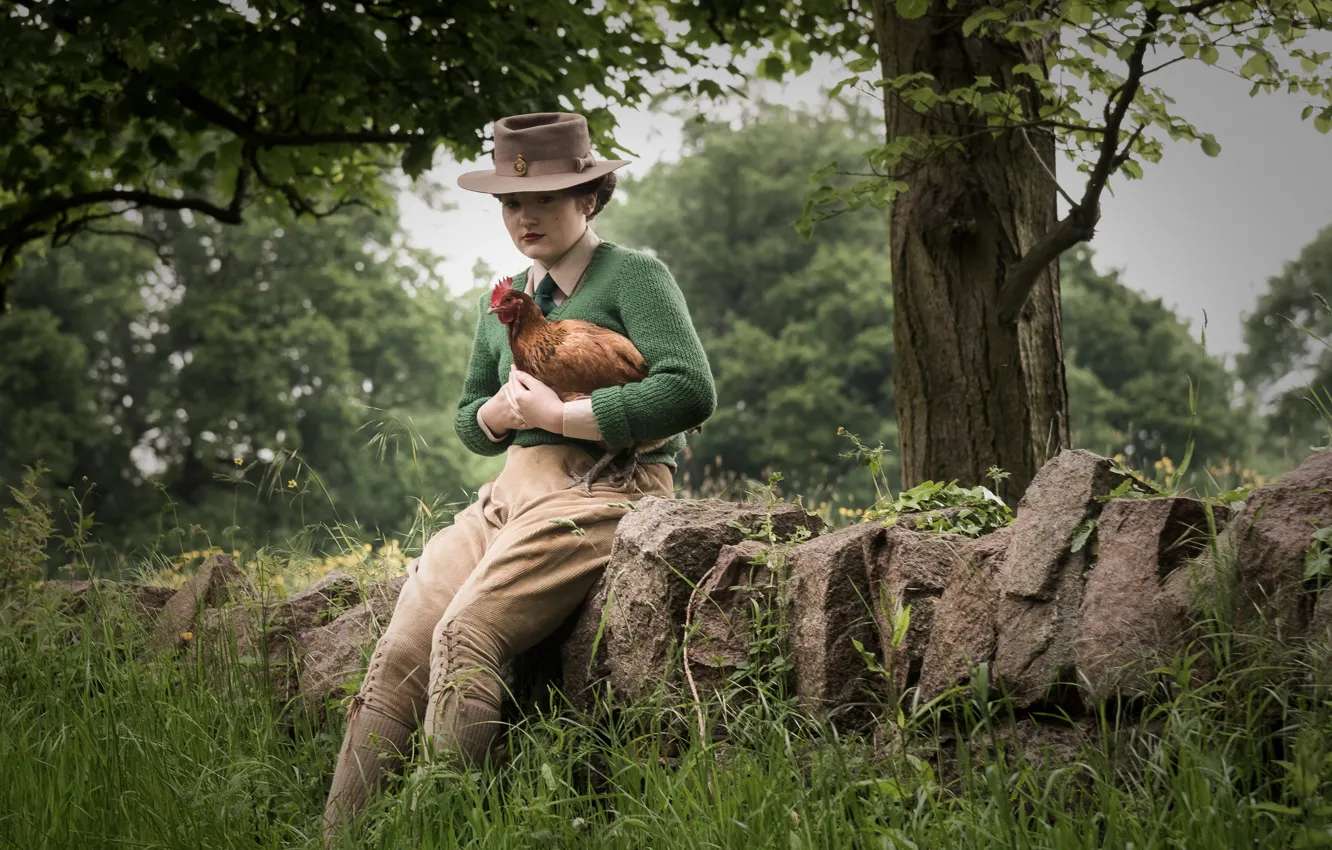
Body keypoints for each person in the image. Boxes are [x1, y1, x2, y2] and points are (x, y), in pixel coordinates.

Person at [322, 112, 716, 838]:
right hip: (507, 492)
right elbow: (466, 416)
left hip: (605, 485)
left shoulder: (635, 276)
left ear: (590, 197)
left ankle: (435, 832)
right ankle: (336, 838)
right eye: (511, 202)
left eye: (546, 199)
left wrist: (566, 417)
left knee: (466, 634)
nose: (524, 217)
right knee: (403, 647)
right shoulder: (500, 295)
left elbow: (692, 392)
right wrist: (498, 416)